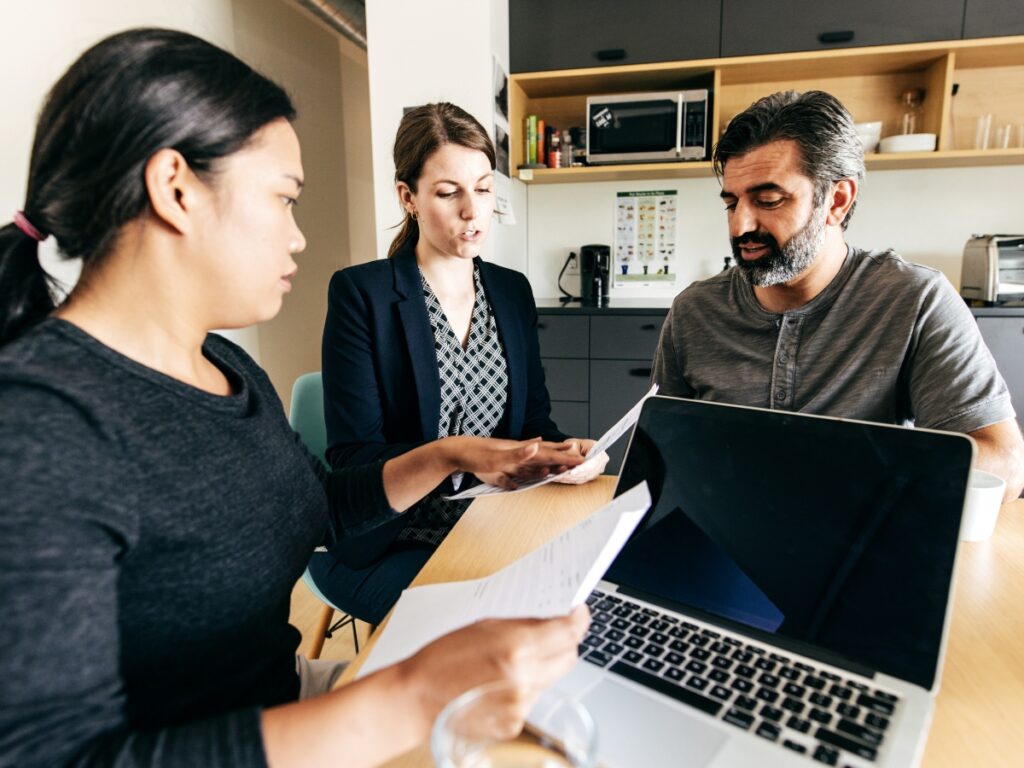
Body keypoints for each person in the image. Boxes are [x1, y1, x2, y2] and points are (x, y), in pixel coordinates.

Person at [0, 29, 590, 768]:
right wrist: (403, 697)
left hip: (282, 705)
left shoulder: (222, 367)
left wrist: (450, 454)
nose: (300, 237)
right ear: (175, 188)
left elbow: (324, 510)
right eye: (283, 199)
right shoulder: (39, 425)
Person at [310, 102, 608, 624]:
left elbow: (534, 422)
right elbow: (354, 460)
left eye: (485, 188)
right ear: (409, 198)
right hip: (393, 536)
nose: (473, 211)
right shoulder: (363, 294)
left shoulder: (512, 292)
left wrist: (564, 454)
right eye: (449, 193)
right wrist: (459, 454)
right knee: (487, 623)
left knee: (582, 596)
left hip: (492, 519)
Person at [651, 90, 1024, 502]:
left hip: (862, 545)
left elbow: (1005, 465)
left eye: (768, 200)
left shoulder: (914, 300)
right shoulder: (695, 311)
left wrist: (835, 462)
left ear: (837, 201)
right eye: (731, 203)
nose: (740, 226)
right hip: (722, 537)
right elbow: (659, 452)